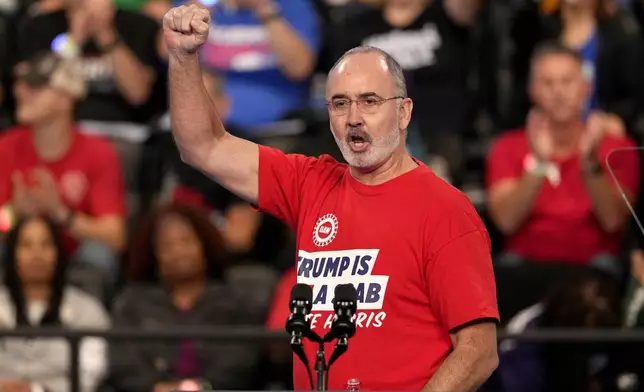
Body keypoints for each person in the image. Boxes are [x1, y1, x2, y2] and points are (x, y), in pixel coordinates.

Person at [163, 4, 499, 391]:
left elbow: (478, 350)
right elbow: (202, 145)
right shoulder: (311, 183)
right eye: (340, 103)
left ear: (404, 112)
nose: (353, 117)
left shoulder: (445, 209)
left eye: (370, 101)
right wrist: (183, 56)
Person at [0, 216, 110, 392]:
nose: (37, 254)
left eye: (45, 245)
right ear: (12, 254)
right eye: (26, 245)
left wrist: (36, 390)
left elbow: (91, 373)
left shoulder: (87, 309)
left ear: (58, 252)